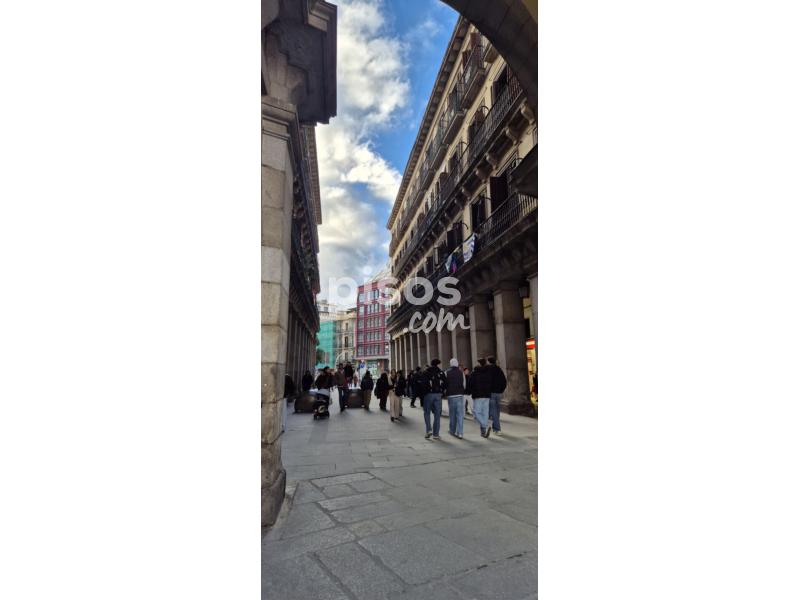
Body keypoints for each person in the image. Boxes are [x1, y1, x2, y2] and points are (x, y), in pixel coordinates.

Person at [419, 359, 448, 440]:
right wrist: (442, 391)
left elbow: (422, 384)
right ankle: (436, 434)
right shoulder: (441, 372)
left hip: (428, 394)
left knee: (427, 413)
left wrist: (424, 394)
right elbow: (446, 383)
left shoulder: (426, 372)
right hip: (438, 395)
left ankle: (428, 430)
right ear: (437, 364)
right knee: (437, 414)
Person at [469, 358, 493, 438]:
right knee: (485, 413)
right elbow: (491, 382)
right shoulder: (489, 372)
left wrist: (471, 391)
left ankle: (485, 425)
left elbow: (470, 383)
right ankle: (483, 431)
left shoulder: (475, 373)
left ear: (479, 363)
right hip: (487, 395)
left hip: (478, 395)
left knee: (476, 412)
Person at [485, 356, 507, 435]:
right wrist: (501, 390)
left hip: (491, 393)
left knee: (493, 411)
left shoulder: (487, 370)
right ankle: (494, 427)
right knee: (497, 411)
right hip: (498, 393)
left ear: (489, 362)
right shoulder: (499, 369)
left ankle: (497, 429)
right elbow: (504, 381)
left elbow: (486, 382)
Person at [445, 358, 466, 439]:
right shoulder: (461, 372)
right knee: (460, 414)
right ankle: (460, 433)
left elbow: (445, 384)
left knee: (452, 414)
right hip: (460, 395)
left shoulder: (446, 372)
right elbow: (464, 384)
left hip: (451, 395)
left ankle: (452, 430)